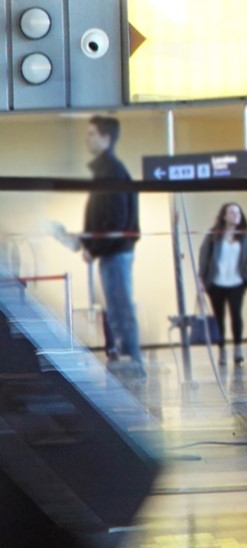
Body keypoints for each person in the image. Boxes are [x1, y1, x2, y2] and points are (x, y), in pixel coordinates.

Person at [77, 115, 138, 371]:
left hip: (114, 251)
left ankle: (132, 363)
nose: (87, 138)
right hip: (112, 251)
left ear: (106, 138)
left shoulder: (112, 171)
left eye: (92, 134)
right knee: (115, 307)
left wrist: (93, 248)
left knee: (119, 307)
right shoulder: (107, 170)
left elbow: (114, 219)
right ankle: (128, 360)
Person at [195, 202, 247, 364]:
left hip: (237, 282)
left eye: (238, 213)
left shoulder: (244, 236)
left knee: (236, 315)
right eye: (232, 212)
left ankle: (238, 349)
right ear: (224, 216)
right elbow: (204, 258)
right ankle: (222, 351)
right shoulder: (213, 235)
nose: (236, 216)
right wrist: (201, 278)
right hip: (216, 283)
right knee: (219, 318)